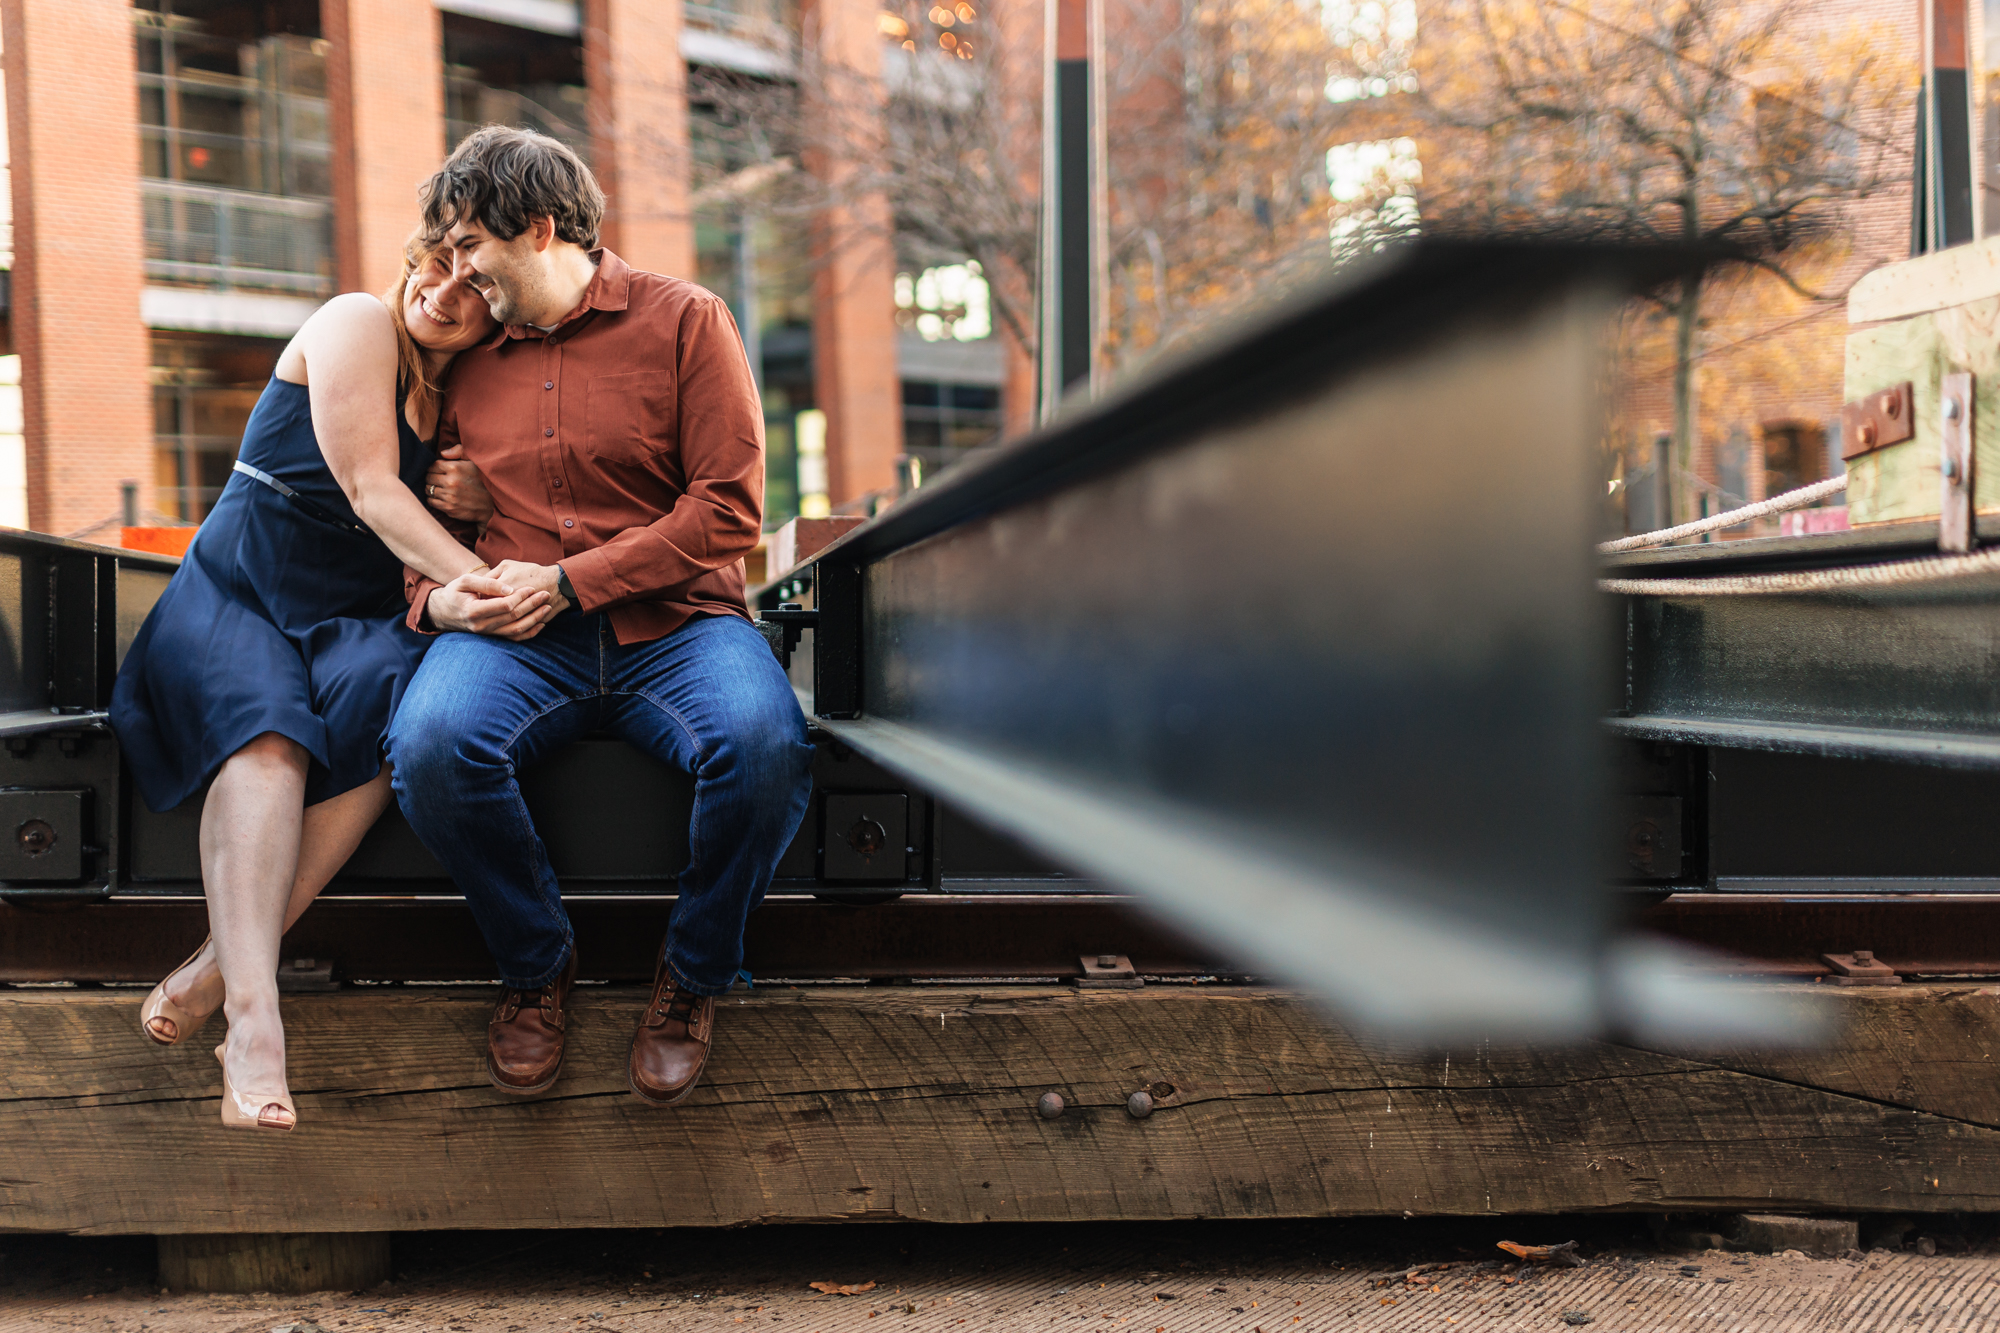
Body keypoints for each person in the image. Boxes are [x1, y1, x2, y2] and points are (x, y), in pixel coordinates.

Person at [387, 126, 815, 1106]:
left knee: (762, 747)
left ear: (538, 228)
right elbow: (421, 518)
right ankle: (535, 964)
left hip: (681, 625)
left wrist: (573, 581)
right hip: (518, 637)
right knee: (430, 744)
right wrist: (436, 599)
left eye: (470, 246)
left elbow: (726, 511)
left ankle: (694, 975)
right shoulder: (465, 358)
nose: (456, 271)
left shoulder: (686, 320)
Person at [111, 240, 557, 1132]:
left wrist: (481, 491)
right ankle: (252, 1023)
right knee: (268, 731)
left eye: (474, 283)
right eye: (434, 261)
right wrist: (484, 578)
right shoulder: (358, 320)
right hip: (245, 583)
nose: (442, 288)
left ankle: (212, 965)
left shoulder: (470, 390)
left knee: (404, 707)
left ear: (499, 308)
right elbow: (367, 486)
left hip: (351, 611)